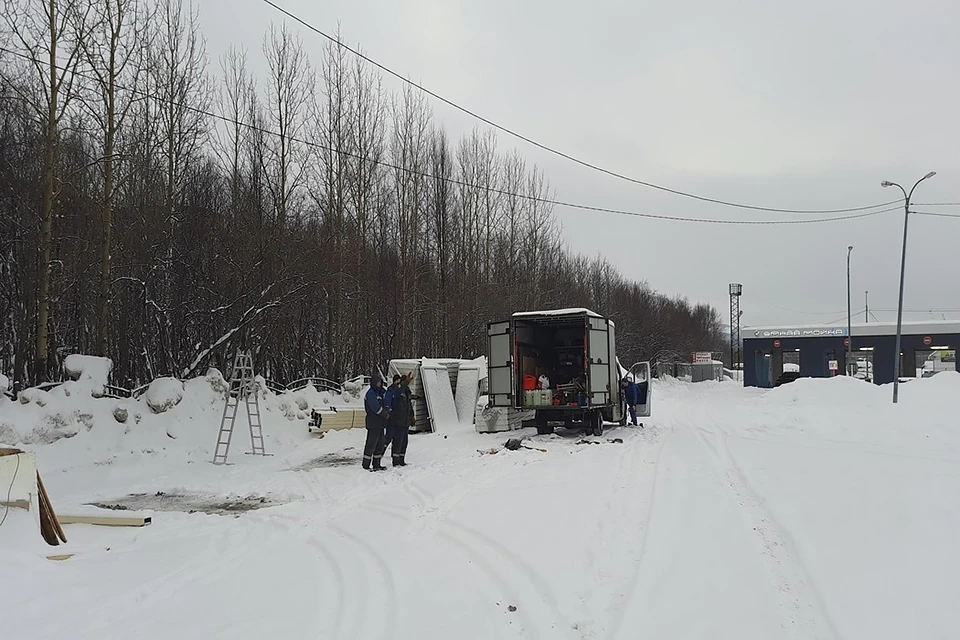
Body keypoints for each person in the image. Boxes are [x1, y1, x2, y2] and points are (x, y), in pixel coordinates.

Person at [362, 372, 390, 471]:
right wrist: (384, 413)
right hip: (373, 422)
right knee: (371, 443)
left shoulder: (381, 392)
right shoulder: (371, 393)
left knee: (380, 444)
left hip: (381, 423)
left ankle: (377, 464)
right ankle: (366, 465)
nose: (380, 383)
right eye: (378, 382)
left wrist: (387, 409)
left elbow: (385, 402)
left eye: (381, 382)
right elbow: (375, 407)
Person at [386, 372, 414, 466]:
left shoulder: (407, 392)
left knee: (404, 442)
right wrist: (405, 382)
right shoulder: (397, 391)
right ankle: (396, 460)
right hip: (398, 420)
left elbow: (409, 406)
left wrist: (412, 416)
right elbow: (398, 391)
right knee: (398, 441)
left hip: (405, 421)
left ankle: (402, 459)